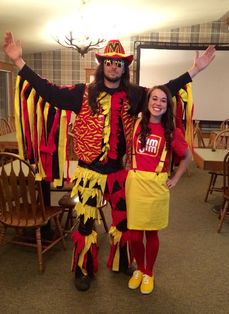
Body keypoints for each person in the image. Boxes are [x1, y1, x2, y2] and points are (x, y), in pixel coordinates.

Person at [2, 32, 215, 291]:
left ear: (125, 68)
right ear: (102, 64)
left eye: (119, 63)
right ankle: (83, 269)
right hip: (89, 173)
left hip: (118, 174)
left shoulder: (136, 96)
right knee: (86, 224)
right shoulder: (82, 94)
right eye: (110, 62)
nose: (114, 66)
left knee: (125, 222)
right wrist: (19, 62)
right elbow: (48, 91)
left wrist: (195, 70)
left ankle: (122, 262)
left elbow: (165, 91)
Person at [126, 85, 192, 295]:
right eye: (154, 98)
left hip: (156, 187)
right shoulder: (136, 125)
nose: (158, 103)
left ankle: (149, 272)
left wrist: (176, 178)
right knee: (135, 235)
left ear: (168, 105)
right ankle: (139, 267)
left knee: (151, 232)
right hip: (135, 184)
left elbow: (187, 157)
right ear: (148, 102)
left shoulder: (171, 131)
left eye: (163, 100)